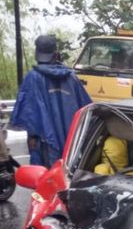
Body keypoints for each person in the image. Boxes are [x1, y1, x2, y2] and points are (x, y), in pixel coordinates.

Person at [11, 35, 92, 167]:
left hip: (44, 144)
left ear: (37, 53)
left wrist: (32, 136)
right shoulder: (71, 78)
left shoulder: (32, 78)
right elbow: (87, 110)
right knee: (68, 175)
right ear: (56, 53)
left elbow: (28, 115)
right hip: (71, 143)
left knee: (44, 178)